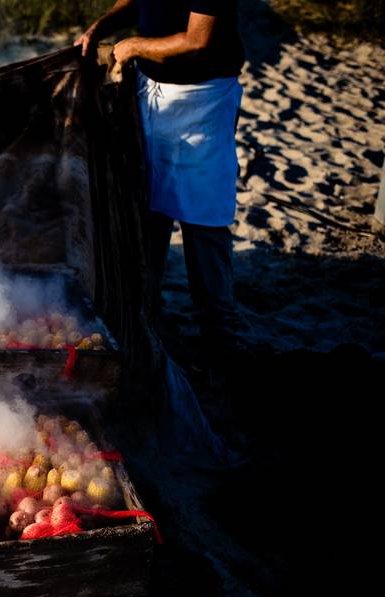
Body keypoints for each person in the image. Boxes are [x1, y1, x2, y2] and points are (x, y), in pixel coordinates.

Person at [76, 0, 247, 368]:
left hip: (201, 102)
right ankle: (148, 317)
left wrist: (135, 46)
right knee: (148, 211)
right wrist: (100, 28)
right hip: (151, 95)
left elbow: (198, 40)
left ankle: (220, 338)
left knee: (204, 220)